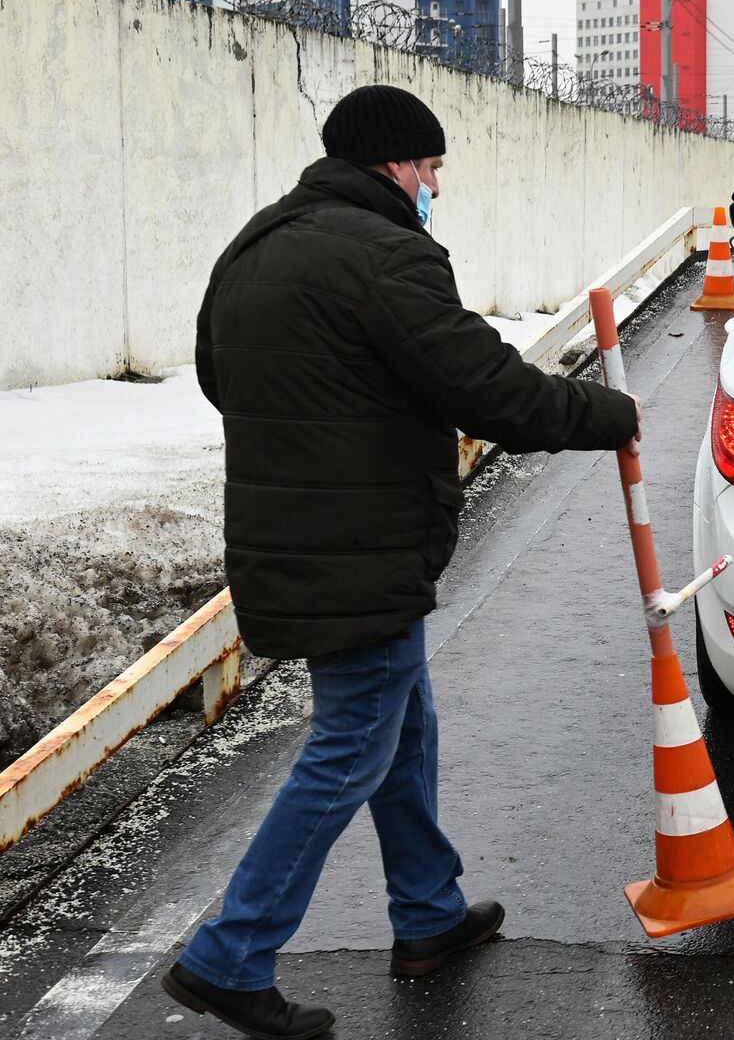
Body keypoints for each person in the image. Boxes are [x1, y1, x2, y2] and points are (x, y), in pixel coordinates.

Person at [164, 85, 644, 1040]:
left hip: (297, 532)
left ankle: (427, 912)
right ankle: (230, 955)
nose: (435, 186)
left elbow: (226, 379)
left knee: (401, 718)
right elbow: (483, 385)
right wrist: (607, 414)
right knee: (353, 742)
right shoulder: (387, 254)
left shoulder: (255, 245)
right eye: (431, 168)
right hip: (362, 543)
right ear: (394, 164)